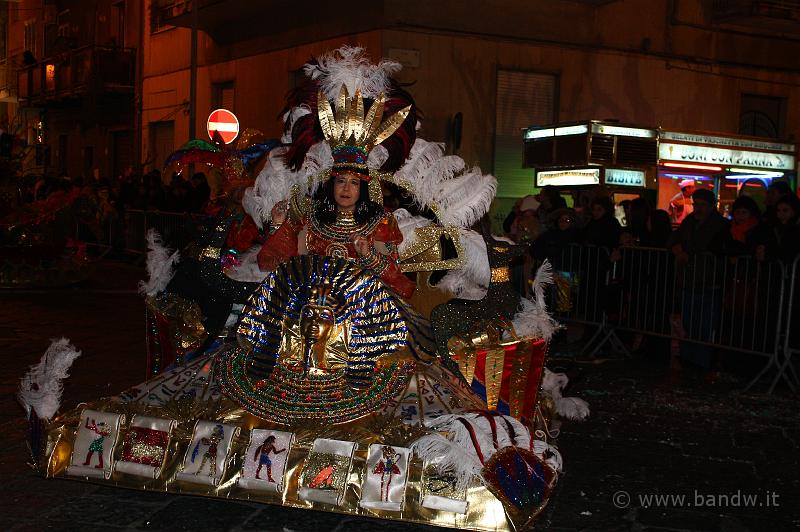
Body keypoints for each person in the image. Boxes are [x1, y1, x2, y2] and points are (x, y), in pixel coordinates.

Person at [258, 171, 415, 299]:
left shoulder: (380, 221)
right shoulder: (313, 217)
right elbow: (291, 263)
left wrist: (367, 254)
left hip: (361, 301)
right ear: (332, 185)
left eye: (354, 183)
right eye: (341, 181)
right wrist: (278, 225)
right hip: (316, 299)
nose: (346, 189)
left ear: (363, 188)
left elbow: (394, 276)